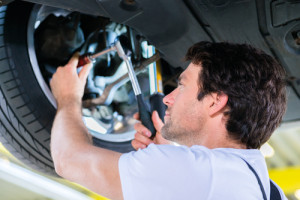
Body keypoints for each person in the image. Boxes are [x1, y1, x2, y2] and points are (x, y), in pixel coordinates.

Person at [50, 41, 287, 200]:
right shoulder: (269, 190)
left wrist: (68, 97)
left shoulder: (199, 173)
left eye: (182, 86)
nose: (168, 98)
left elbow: (67, 159)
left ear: (215, 102)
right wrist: (166, 158)